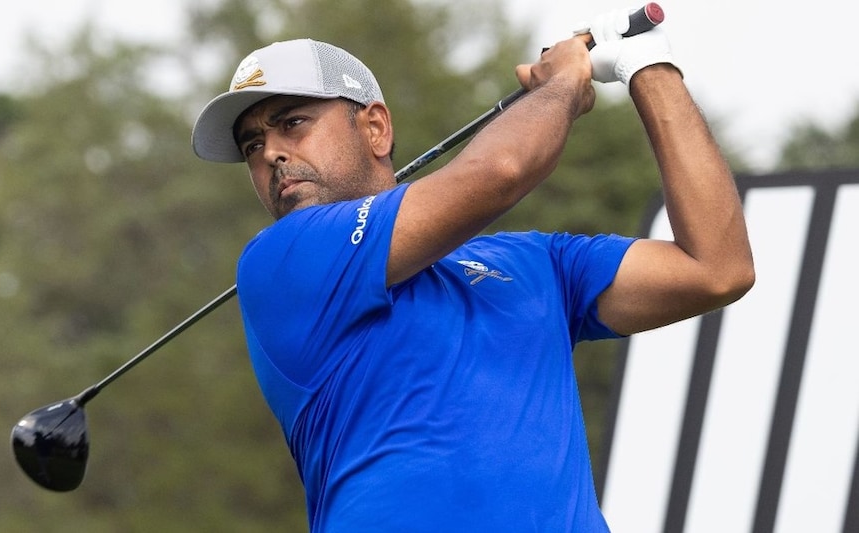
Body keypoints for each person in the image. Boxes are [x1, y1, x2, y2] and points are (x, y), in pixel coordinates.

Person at [191, 7, 754, 532]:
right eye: (252, 145)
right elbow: (500, 171)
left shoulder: (537, 263)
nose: (271, 154)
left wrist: (649, 68)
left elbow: (717, 268)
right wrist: (563, 83)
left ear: (375, 128)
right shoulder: (280, 259)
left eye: (292, 123)